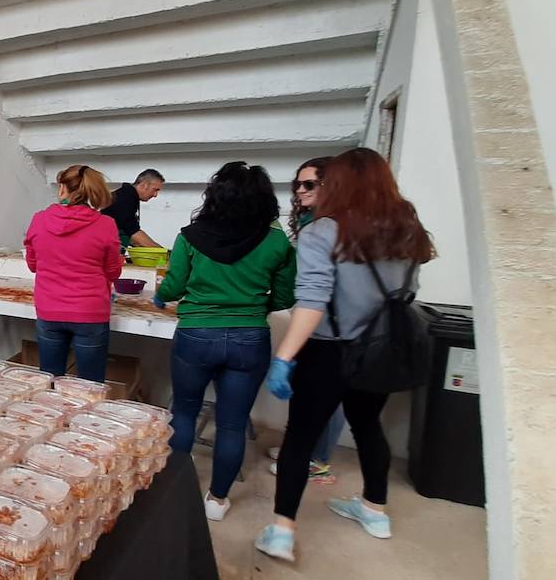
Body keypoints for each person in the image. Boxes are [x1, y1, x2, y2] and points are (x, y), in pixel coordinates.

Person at [255, 148, 434, 562]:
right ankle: (375, 511)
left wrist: (284, 355)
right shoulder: (408, 232)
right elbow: (407, 293)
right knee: (368, 426)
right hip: (380, 347)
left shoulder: (325, 231)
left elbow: (313, 300)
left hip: (328, 350)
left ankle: (282, 530)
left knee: (300, 438)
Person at [155, 162, 296, 522]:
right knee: (232, 423)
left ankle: (173, 492)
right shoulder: (276, 241)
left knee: (184, 412)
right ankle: (216, 500)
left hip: (196, 336)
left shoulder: (190, 235)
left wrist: (161, 296)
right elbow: (283, 298)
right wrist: (246, 306)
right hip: (250, 339)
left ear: (215, 196)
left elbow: (172, 287)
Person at [267, 156, 343, 484]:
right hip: (313, 314)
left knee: (327, 396)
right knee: (309, 393)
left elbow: (321, 287)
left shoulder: (331, 225)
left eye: (309, 184)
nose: (300, 190)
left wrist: (284, 355)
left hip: (331, 320)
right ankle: (301, 448)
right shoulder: (313, 221)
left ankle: (318, 459)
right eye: (298, 184)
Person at [24, 165, 124, 381]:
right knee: (89, 387)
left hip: (49, 309)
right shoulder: (105, 224)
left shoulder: (39, 219)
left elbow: (33, 265)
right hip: (90, 312)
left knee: (50, 382)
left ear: (62, 188)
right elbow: (113, 272)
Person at [103, 169, 165, 249]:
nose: (155, 195)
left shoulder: (128, 196)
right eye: (155, 190)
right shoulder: (125, 198)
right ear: (144, 185)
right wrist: (163, 252)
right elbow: (134, 233)